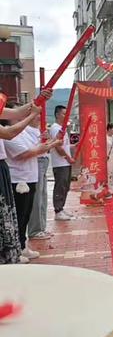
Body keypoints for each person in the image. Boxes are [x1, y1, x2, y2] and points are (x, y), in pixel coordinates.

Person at [0, 87, 50, 264]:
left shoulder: (14, 119)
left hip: (13, 172)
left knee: (17, 215)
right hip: (14, 176)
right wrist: (31, 115)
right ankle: (10, 252)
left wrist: (39, 100)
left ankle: (17, 248)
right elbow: (9, 134)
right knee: (11, 217)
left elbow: (16, 111)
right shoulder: (10, 130)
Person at [5, 117, 60, 261]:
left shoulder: (22, 133)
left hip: (30, 177)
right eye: (19, 116)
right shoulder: (8, 134)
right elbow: (25, 153)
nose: (22, 119)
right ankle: (17, 250)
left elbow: (37, 150)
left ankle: (22, 246)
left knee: (26, 215)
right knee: (19, 216)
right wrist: (47, 146)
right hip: (19, 180)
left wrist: (49, 143)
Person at [27, 116, 52, 240]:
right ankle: (34, 230)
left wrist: (50, 141)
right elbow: (29, 150)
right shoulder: (25, 130)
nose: (39, 118)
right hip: (35, 163)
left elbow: (45, 147)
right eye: (36, 115)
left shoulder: (38, 130)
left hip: (44, 161)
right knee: (36, 198)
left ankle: (41, 228)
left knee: (43, 196)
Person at [49, 105, 75, 221]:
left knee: (65, 186)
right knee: (60, 186)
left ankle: (61, 208)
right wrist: (67, 158)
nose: (66, 116)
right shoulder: (55, 128)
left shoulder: (62, 128)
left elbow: (65, 146)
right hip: (60, 163)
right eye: (64, 114)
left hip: (65, 163)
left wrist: (75, 146)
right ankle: (58, 210)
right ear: (57, 115)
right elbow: (58, 147)